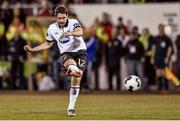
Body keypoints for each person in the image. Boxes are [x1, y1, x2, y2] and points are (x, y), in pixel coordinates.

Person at [24, 5, 87, 117]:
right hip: (65, 54)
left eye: (63, 17)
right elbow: (48, 44)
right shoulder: (52, 28)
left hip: (80, 52)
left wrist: (70, 33)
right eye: (59, 18)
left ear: (67, 16)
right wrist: (33, 49)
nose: (62, 20)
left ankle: (71, 107)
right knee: (72, 66)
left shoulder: (73, 22)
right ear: (55, 18)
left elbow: (80, 32)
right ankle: (72, 69)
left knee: (77, 78)